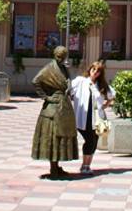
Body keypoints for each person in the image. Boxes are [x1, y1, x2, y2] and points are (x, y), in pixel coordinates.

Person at [31, 45, 78, 179]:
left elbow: (67, 81)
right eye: (58, 56)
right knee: (53, 137)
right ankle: (53, 168)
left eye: (62, 57)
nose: (60, 59)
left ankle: (56, 166)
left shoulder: (64, 68)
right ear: (54, 55)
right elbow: (35, 81)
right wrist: (46, 97)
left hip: (64, 106)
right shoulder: (48, 69)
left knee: (61, 137)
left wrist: (69, 88)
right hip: (53, 108)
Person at [70, 60, 115, 174]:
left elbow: (112, 95)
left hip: (97, 119)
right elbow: (68, 89)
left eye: (98, 71)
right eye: (93, 69)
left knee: (94, 142)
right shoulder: (81, 81)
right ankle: (84, 166)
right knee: (89, 141)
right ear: (89, 70)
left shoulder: (101, 85)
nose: (95, 72)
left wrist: (105, 105)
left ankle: (87, 165)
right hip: (82, 117)